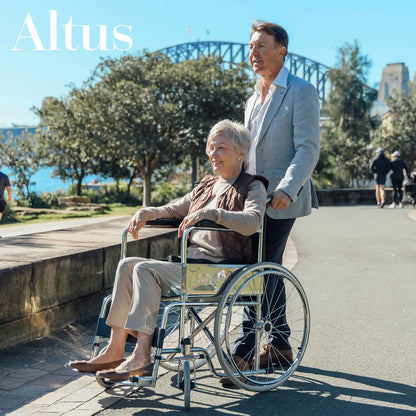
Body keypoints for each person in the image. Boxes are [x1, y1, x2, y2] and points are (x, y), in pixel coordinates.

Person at [68, 119, 268, 381]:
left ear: (241, 152)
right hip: (193, 266)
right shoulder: (207, 185)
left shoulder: (253, 186)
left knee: (145, 269)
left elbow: (253, 221)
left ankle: (141, 356)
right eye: (210, 147)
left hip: (223, 270)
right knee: (126, 264)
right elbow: (174, 208)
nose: (213, 154)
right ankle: (115, 350)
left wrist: (214, 213)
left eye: (221, 148)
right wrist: (147, 212)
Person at [231, 20, 320, 373]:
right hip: (253, 198)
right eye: (251, 46)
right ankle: (281, 343)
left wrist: (286, 187)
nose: (253, 53)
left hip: (282, 197)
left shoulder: (301, 91)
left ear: (281, 52)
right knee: (267, 268)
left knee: (258, 267)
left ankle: (244, 347)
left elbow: (307, 149)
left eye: (260, 46)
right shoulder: (253, 98)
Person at [0, 158, 12, 223]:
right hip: (0, 201)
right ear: (1, 166)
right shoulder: (5, 177)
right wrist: (9, 197)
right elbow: (9, 189)